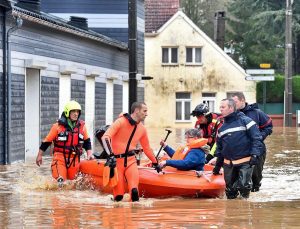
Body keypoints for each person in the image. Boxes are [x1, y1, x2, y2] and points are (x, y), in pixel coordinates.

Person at [101, 101, 159, 202]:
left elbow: (147, 148)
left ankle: (133, 216)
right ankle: (118, 215)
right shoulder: (120, 121)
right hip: (116, 163)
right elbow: (105, 137)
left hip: (131, 162)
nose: (147, 114)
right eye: (144, 111)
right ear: (136, 111)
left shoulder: (142, 129)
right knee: (118, 196)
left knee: (135, 192)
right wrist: (110, 155)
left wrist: (155, 163)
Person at [213, 98, 262, 199]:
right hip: (228, 164)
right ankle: (232, 212)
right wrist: (217, 166)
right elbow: (219, 149)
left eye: (223, 107)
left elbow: (256, 139)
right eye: (220, 107)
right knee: (230, 191)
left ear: (231, 108)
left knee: (244, 187)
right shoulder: (221, 128)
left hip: (245, 161)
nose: (220, 109)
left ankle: (245, 209)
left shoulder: (246, 121)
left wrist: (255, 155)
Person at [36, 100, 93, 185]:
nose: (76, 114)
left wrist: (89, 154)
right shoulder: (57, 127)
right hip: (59, 158)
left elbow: (87, 142)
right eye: (73, 111)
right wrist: (39, 155)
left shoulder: (82, 127)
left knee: (73, 184)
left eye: (77, 112)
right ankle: (58, 197)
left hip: (74, 160)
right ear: (67, 112)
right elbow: (46, 142)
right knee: (61, 181)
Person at [231, 92, 273, 192]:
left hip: (256, 149)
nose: (233, 105)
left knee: (255, 175)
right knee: (236, 176)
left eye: (235, 102)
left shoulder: (256, 113)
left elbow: (268, 126)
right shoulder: (231, 115)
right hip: (239, 150)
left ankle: (255, 193)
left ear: (243, 101)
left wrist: (260, 137)